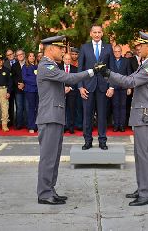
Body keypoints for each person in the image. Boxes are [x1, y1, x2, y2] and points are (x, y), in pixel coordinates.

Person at [99, 31, 148, 206]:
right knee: (140, 154)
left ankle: (146, 194)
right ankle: (142, 187)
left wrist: (108, 73)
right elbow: (129, 79)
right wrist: (107, 74)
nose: (137, 49)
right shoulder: (145, 64)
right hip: (142, 114)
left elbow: (129, 82)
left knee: (145, 155)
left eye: (140, 46)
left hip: (145, 114)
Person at [36, 35, 102, 205]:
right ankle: (44, 193)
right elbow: (69, 78)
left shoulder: (52, 66)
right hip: (49, 116)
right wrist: (91, 71)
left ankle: (50, 189)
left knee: (54, 156)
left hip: (55, 116)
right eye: (60, 49)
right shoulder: (46, 65)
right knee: (48, 157)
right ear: (50, 49)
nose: (63, 52)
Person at [78, 24, 114, 150]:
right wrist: (80, 87)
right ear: (90, 33)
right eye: (95, 32)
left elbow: (112, 69)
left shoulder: (108, 48)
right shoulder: (84, 48)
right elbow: (80, 69)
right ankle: (87, 141)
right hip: (87, 87)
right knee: (87, 116)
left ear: (102, 33)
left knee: (102, 116)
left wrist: (112, 87)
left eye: (99, 32)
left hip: (103, 88)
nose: (97, 34)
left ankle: (102, 141)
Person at [111, 45, 131, 132]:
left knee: (123, 106)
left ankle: (122, 125)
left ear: (121, 52)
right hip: (113, 87)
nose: (117, 53)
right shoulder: (110, 61)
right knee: (115, 106)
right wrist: (109, 87)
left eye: (118, 51)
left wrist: (129, 87)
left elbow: (129, 74)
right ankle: (116, 125)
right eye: (115, 51)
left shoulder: (126, 61)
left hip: (123, 87)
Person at [60, 53, 78, 134]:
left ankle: (71, 127)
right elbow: (57, 79)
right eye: (66, 59)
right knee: (62, 110)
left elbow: (76, 80)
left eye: (69, 59)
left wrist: (69, 87)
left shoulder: (75, 69)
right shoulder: (58, 68)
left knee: (71, 109)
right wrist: (63, 88)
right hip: (61, 92)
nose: (67, 60)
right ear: (63, 59)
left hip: (72, 92)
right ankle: (63, 127)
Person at [22, 52, 38, 133]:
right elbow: (25, 78)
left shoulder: (38, 66)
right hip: (30, 90)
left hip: (38, 90)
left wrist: (37, 81)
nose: (32, 57)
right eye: (30, 56)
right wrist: (36, 81)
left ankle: (37, 126)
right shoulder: (25, 67)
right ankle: (31, 126)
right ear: (27, 58)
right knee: (31, 108)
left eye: (33, 56)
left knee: (38, 108)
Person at [12, 49, 27, 129]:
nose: (20, 56)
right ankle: (19, 124)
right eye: (18, 55)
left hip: (28, 88)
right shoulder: (14, 66)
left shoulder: (28, 64)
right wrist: (19, 84)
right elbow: (13, 77)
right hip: (18, 89)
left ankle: (28, 124)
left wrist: (24, 84)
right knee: (19, 107)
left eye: (21, 54)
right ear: (16, 57)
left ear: (24, 55)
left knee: (27, 107)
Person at [4, 48, 16, 126]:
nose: (10, 56)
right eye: (8, 55)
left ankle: (20, 121)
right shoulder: (5, 64)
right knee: (9, 106)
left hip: (19, 87)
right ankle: (10, 121)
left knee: (20, 105)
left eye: (11, 54)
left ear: (14, 53)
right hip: (9, 87)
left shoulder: (19, 61)